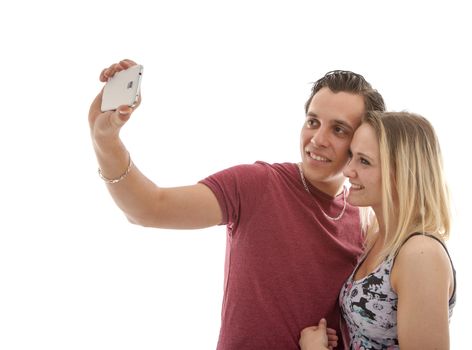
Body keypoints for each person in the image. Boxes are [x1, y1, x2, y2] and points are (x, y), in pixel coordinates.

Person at [88, 59, 385, 349]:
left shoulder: (365, 220)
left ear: (363, 140)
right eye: (313, 122)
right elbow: (148, 207)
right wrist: (105, 138)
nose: (317, 139)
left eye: (338, 130)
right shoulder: (257, 184)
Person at [300, 111, 456, 350]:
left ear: (401, 173)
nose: (348, 171)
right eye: (352, 156)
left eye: (364, 161)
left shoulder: (421, 254)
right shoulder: (376, 237)